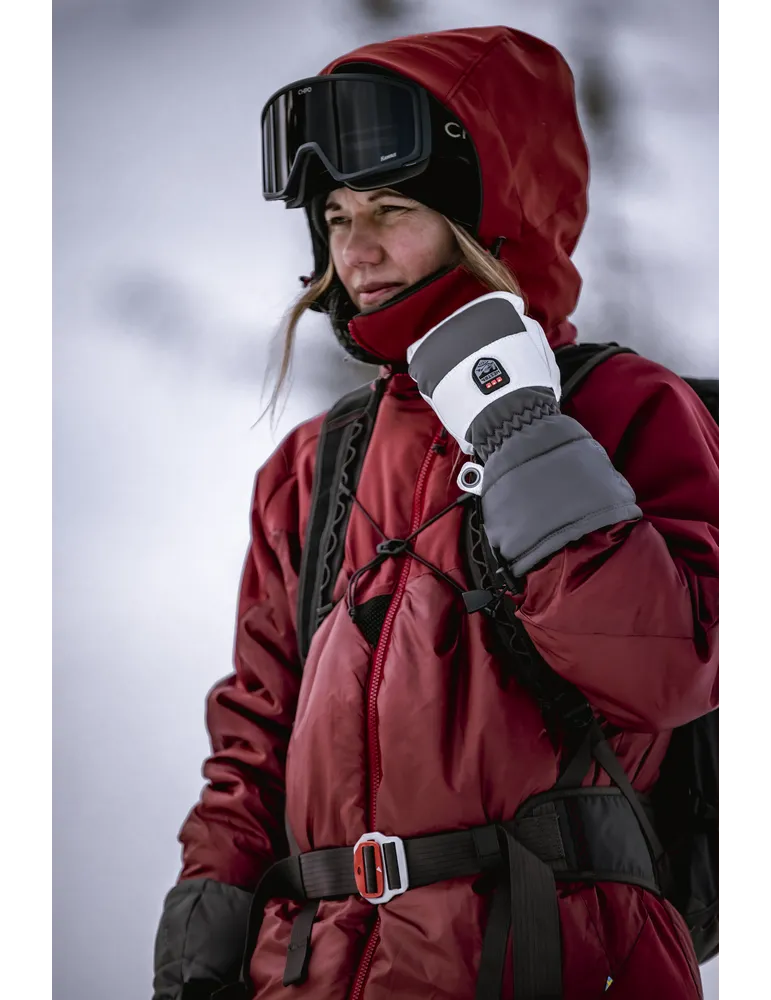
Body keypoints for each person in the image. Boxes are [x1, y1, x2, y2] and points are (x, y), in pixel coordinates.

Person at [152, 25, 719, 1000]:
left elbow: (668, 673)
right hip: (311, 974)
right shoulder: (311, 466)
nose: (355, 248)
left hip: (553, 959)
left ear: (494, 217)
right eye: (335, 216)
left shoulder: (630, 408)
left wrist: (521, 431)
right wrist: (198, 959)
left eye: (391, 209)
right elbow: (251, 749)